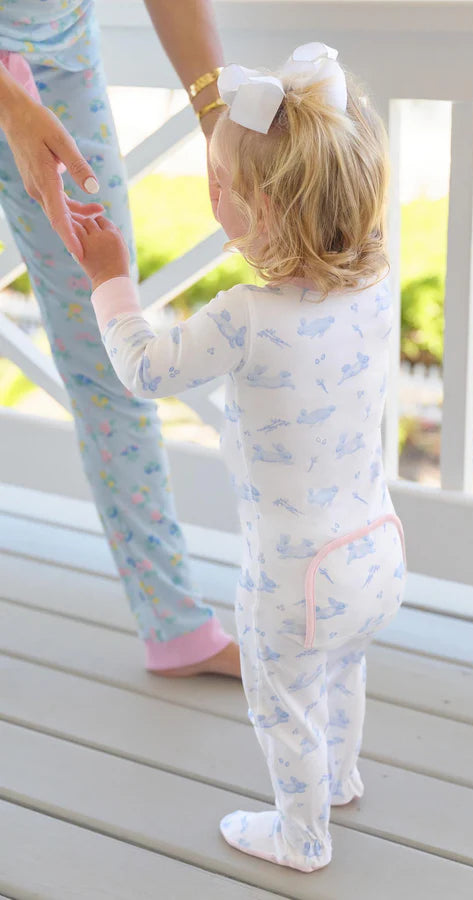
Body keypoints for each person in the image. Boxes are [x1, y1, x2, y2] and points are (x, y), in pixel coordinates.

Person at [72, 42, 407, 872]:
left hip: (292, 578)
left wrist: (111, 278)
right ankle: (338, 779)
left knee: (283, 700)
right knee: (341, 670)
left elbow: (145, 368)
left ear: (256, 215)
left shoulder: (244, 317)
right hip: (378, 552)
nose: (210, 191)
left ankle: (301, 837)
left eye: (220, 184)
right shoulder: (376, 287)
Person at [0, 1, 240, 677]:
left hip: (60, 62)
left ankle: (175, 627)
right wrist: (11, 107)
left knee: (110, 337)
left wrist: (217, 118)